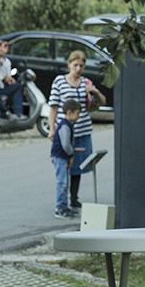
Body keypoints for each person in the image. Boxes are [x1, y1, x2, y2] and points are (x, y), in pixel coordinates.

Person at [47, 49, 107, 210]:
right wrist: (52, 129)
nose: (78, 69)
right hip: (65, 131)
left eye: (81, 65)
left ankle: (74, 198)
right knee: (65, 164)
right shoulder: (60, 81)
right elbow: (53, 106)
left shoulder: (86, 82)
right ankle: (62, 201)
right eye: (75, 65)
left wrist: (94, 91)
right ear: (69, 64)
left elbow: (102, 102)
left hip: (82, 129)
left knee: (79, 166)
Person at [50, 99, 83, 219]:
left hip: (62, 156)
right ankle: (60, 208)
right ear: (69, 112)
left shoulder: (67, 124)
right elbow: (65, 144)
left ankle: (64, 205)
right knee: (62, 183)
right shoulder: (65, 126)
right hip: (60, 156)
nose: (78, 116)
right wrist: (71, 154)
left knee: (65, 182)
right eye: (77, 113)